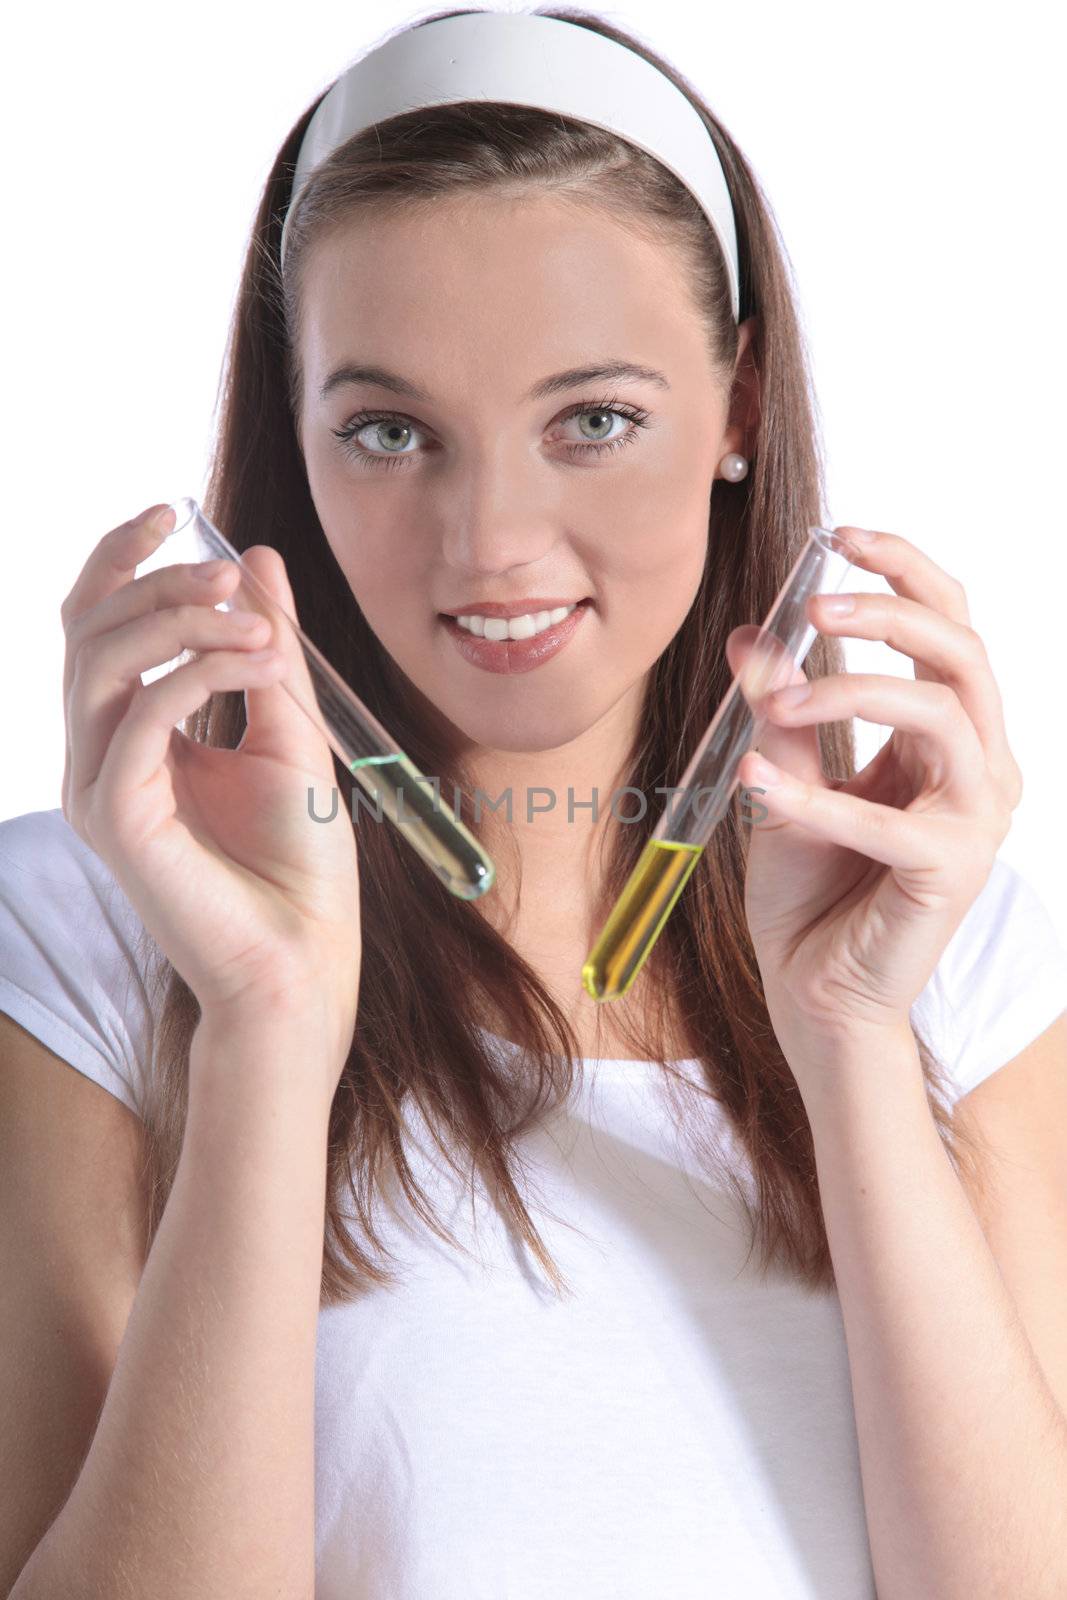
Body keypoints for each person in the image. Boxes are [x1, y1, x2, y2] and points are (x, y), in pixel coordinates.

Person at [3, 7, 1067, 1598]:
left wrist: (848, 1034)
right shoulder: (84, 928)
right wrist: (268, 1019)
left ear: (740, 412)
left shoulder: (959, 956)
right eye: (387, 430)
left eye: (595, 420)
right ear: (294, 435)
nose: (492, 541)